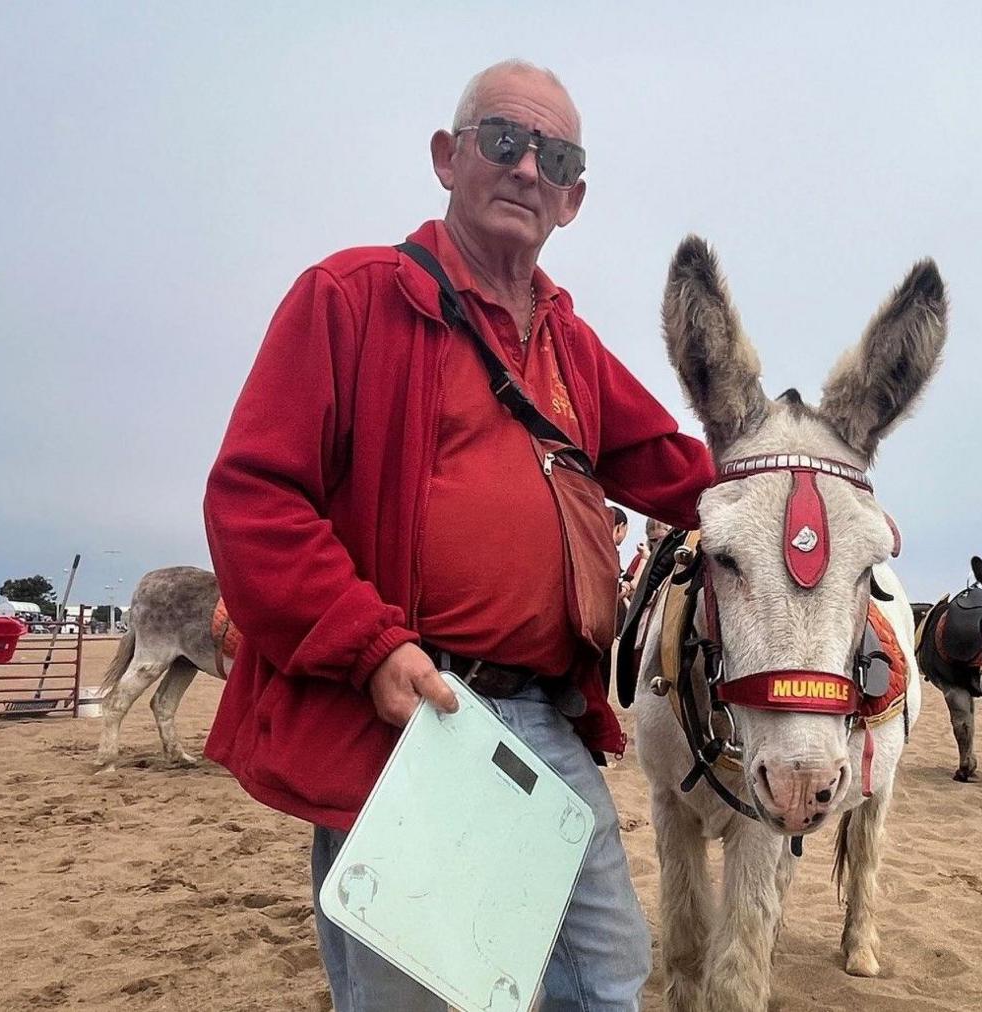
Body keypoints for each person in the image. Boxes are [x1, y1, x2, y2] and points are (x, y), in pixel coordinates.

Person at [202, 59, 713, 1012]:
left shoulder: (570, 344)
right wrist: (370, 644)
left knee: (606, 979)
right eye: (504, 141)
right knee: (426, 993)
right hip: (412, 718)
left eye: (551, 155)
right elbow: (252, 499)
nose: (526, 168)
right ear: (449, 157)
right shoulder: (351, 297)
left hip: (547, 723)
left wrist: (806, 492)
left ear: (574, 196)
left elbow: (676, 467)